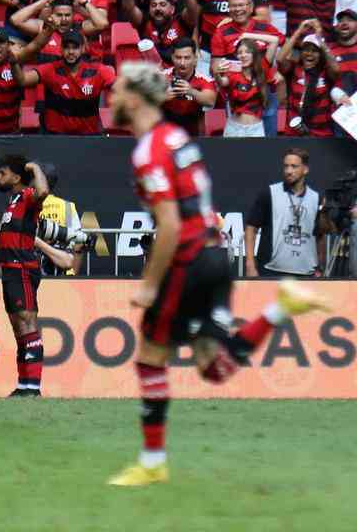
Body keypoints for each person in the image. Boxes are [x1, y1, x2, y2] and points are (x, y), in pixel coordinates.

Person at [105, 61, 328, 486]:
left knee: (151, 356)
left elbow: (169, 224)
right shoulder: (177, 138)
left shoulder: (149, 149)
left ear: (134, 98)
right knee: (215, 368)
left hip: (187, 259)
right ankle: (282, 307)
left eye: (116, 92)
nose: (111, 99)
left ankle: (152, 463)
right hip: (216, 256)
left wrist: (150, 285)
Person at [0, 153, 50, 397]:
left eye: (2, 173)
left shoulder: (28, 196)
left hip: (22, 269)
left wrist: (35, 166)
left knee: (28, 323)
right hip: (9, 271)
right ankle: (23, 385)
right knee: (19, 328)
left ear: (17, 177)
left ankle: (34, 387)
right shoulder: (14, 200)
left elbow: (44, 191)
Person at [244, 148, 327, 279]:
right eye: (286, 166)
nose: (288, 171)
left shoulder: (317, 198)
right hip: (271, 270)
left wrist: (321, 267)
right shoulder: (269, 193)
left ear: (305, 169)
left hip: (307, 273)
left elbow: (320, 236)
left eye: (294, 166)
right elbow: (251, 229)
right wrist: (250, 265)